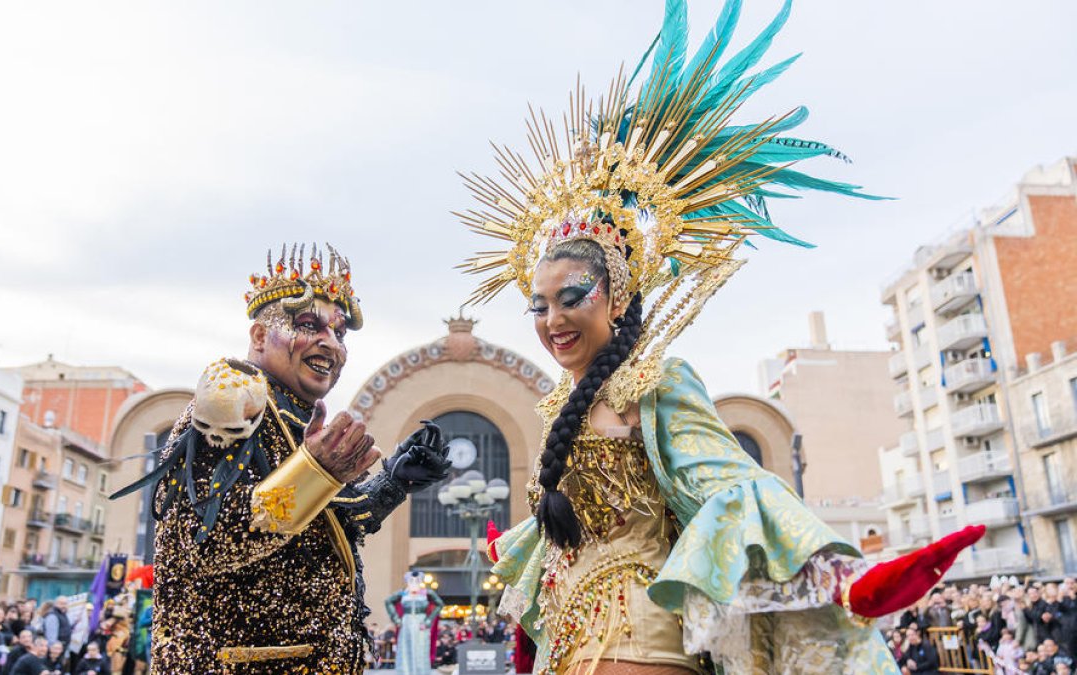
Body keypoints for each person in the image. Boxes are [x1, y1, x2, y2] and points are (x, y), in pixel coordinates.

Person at [463, 2, 987, 673]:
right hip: (569, 638)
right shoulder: (552, 407)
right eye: (537, 306)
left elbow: (732, 484)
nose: (552, 320)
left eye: (572, 299)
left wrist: (842, 578)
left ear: (616, 299)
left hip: (639, 631)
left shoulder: (656, 384)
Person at [112, 244, 451, 674]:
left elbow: (325, 527)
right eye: (308, 325)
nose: (330, 344)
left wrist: (393, 482)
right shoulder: (235, 401)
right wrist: (315, 472)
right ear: (259, 337)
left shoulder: (296, 415)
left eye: (340, 334)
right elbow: (210, 539)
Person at [385, 572, 443, 675]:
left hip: (421, 623)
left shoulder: (426, 593)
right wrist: (396, 619)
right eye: (411, 580)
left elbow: (439, 604)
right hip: (406, 623)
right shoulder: (403, 593)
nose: (414, 582)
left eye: (416, 580)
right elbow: (388, 601)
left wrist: (429, 620)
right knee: (405, 649)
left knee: (421, 649)